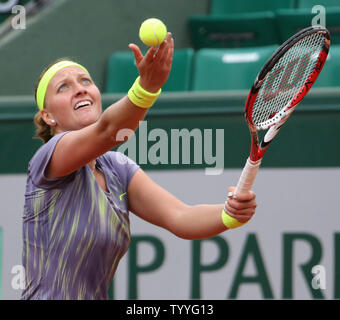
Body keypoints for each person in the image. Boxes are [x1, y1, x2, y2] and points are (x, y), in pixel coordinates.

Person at [21, 33, 257, 300]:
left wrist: (229, 213)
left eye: (86, 81)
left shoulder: (117, 169)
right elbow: (109, 131)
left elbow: (181, 217)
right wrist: (147, 87)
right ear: (48, 116)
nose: (80, 88)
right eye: (63, 87)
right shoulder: (48, 158)